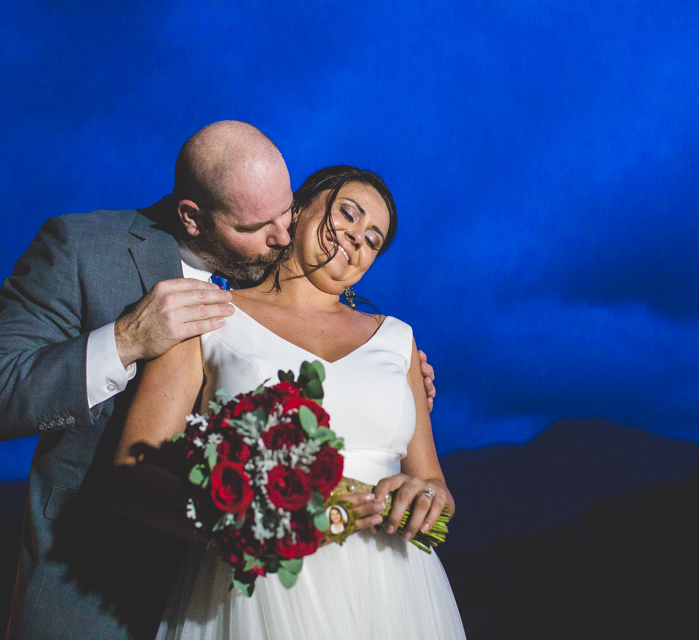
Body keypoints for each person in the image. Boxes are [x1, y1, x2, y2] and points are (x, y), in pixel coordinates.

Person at [0, 121, 440, 639]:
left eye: (285, 212)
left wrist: (386, 372)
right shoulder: (82, 248)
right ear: (194, 217)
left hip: (256, 597)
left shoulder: (268, 257)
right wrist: (126, 340)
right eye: (258, 226)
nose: (280, 237)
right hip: (99, 584)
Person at [113, 166, 465, 639]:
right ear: (294, 209)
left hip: (393, 589)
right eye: (349, 214)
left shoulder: (398, 340)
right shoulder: (208, 315)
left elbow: (433, 485)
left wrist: (426, 499)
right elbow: (130, 476)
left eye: (374, 239)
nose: (358, 238)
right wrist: (236, 521)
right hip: (256, 592)